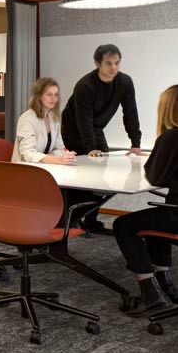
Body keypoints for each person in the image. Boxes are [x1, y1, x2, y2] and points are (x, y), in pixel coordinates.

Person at [113, 84, 178, 315]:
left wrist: (162, 152)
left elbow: (155, 177)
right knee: (159, 218)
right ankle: (165, 284)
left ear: (168, 109)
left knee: (123, 225)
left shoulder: (174, 137)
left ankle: (150, 294)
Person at [61, 43, 144, 233]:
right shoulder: (85, 86)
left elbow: (130, 112)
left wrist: (135, 144)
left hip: (96, 128)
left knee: (103, 173)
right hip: (74, 129)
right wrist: (91, 148)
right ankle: (70, 218)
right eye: (108, 63)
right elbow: (83, 121)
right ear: (98, 64)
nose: (113, 67)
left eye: (117, 63)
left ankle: (91, 220)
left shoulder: (125, 82)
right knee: (85, 174)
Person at [11, 77, 77, 165]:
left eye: (56, 95)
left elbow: (60, 149)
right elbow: (27, 153)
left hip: (45, 166)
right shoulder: (27, 119)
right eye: (49, 94)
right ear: (39, 96)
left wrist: (60, 156)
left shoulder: (54, 118)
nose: (53, 98)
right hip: (25, 168)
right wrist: (56, 160)